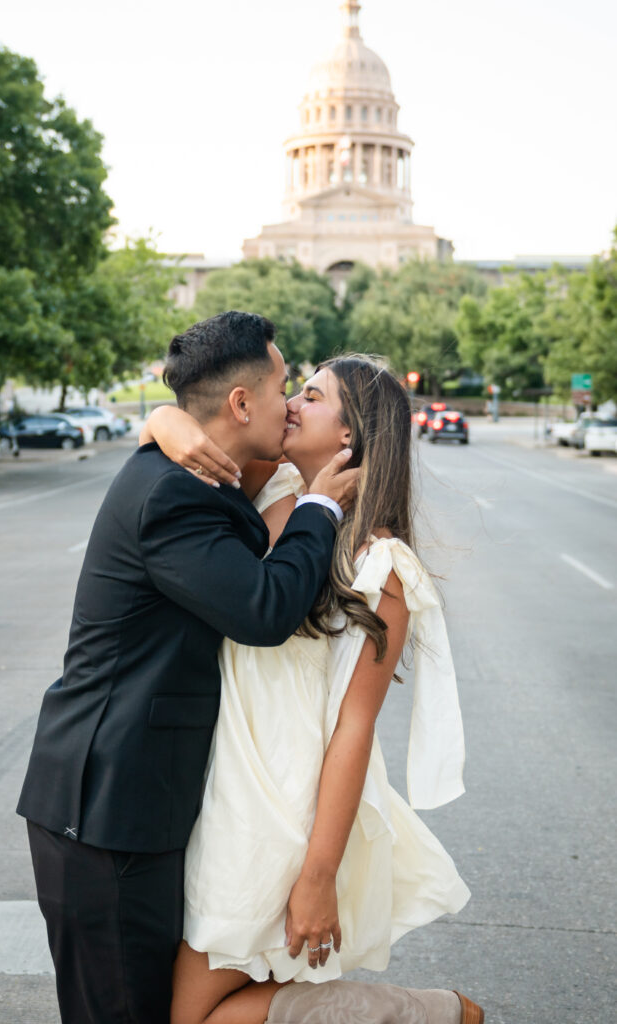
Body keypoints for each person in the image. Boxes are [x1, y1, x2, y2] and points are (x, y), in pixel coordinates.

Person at [16, 311, 360, 1024]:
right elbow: (263, 610)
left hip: (147, 807)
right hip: (106, 811)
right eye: (283, 386)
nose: (290, 401)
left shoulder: (207, 472)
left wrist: (166, 421)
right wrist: (321, 504)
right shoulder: (175, 491)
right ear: (240, 403)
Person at [142, 354, 484, 1024]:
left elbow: (355, 727)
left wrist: (319, 875)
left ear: (351, 436)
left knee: (191, 1017)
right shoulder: (266, 491)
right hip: (219, 790)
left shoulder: (380, 565)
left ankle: (426, 1013)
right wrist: (163, 418)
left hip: (281, 812)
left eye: (312, 395)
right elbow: (191, 423)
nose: (291, 403)